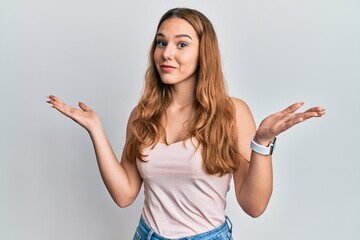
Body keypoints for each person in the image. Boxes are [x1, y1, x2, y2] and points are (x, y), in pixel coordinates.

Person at [46, 7, 325, 240]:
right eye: (161, 42)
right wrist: (96, 129)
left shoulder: (231, 112)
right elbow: (124, 194)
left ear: (204, 53)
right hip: (147, 234)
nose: (167, 53)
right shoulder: (142, 115)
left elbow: (254, 205)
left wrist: (261, 143)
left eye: (181, 44)